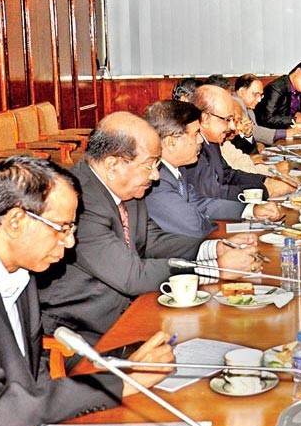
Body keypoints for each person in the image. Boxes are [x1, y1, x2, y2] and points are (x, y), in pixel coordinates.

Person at [0, 156, 175, 426]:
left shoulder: (18, 262)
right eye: (62, 228)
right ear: (15, 221)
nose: (70, 241)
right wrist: (118, 383)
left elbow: (32, 374)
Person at [37, 112, 261, 347]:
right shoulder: (78, 200)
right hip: (84, 334)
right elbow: (132, 275)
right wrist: (214, 269)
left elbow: (152, 240)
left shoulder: (128, 189)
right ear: (113, 164)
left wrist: (214, 248)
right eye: (150, 165)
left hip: (133, 311)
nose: (155, 176)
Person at [143, 100, 281, 238]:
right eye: (196, 134)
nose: (201, 140)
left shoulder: (175, 170)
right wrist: (212, 223)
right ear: (171, 142)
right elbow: (193, 226)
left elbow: (201, 204)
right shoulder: (156, 179)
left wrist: (251, 210)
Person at [186, 85, 294, 202]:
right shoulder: (191, 147)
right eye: (227, 120)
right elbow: (212, 193)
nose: (232, 126)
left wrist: (265, 180)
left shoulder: (212, 141)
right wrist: (266, 191)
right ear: (206, 118)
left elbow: (229, 175)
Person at [234, 73, 301, 147]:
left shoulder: (249, 108)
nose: (259, 100)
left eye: (261, 95)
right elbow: (253, 130)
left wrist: (258, 144)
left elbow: (252, 135)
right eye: (256, 94)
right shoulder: (235, 103)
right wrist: (285, 133)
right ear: (241, 92)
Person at [254, 60, 301, 129]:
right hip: (270, 133)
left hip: (287, 129)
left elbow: (295, 110)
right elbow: (266, 119)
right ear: (298, 71)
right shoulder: (276, 88)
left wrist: (298, 114)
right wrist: (295, 119)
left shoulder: (299, 88)